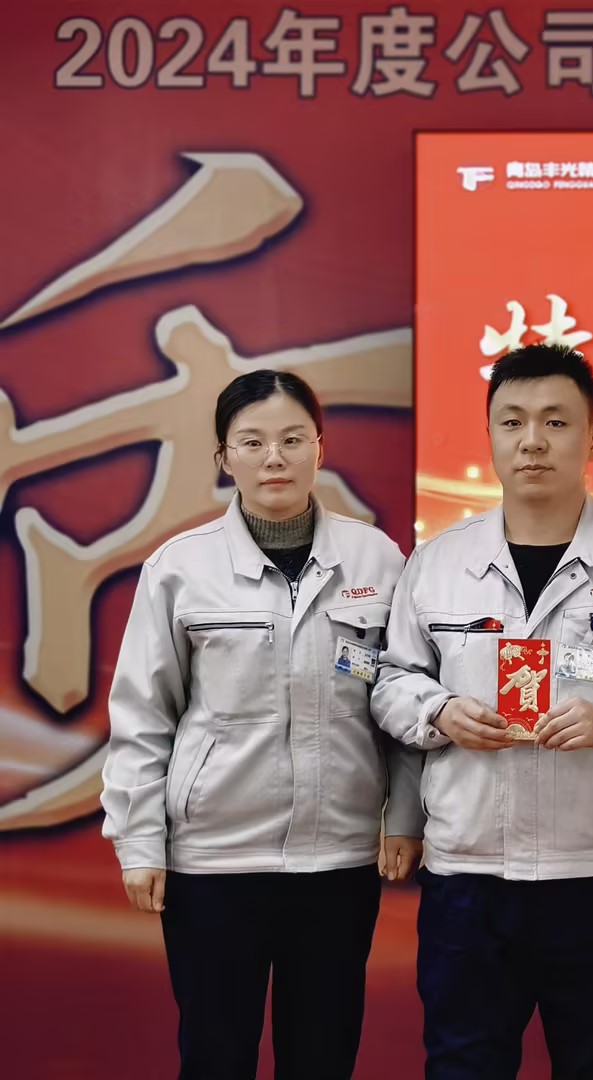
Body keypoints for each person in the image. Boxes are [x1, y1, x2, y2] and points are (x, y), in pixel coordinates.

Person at [371, 343, 593, 1080]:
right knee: (463, 1065)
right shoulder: (437, 562)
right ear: (490, 435)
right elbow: (391, 681)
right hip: (468, 874)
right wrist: (440, 712)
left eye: (556, 422)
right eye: (513, 422)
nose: (533, 441)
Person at [100, 369, 423, 1080]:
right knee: (216, 1056)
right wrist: (139, 840)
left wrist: (404, 816)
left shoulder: (376, 558)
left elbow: (401, 696)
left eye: (292, 439)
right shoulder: (180, 569)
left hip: (337, 861)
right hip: (213, 864)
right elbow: (143, 714)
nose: (274, 457)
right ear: (224, 456)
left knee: (323, 1055)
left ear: (320, 447)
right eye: (252, 442)